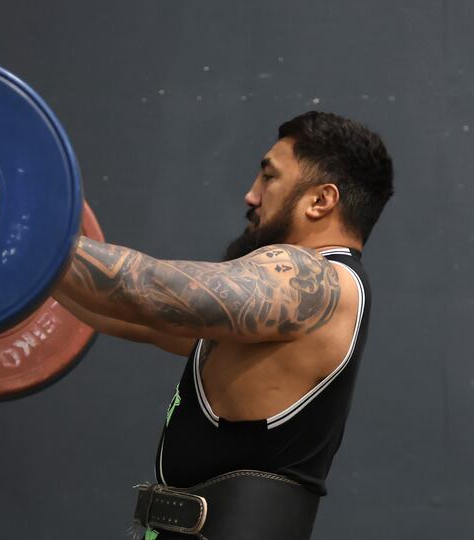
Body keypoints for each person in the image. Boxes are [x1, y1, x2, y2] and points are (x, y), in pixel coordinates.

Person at [53, 111, 394, 539]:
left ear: (321, 201)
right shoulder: (274, 317)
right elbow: (117, 310)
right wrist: (16, 263)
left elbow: (143, 288)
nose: (251, 196)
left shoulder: (318, 281)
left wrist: (24, 231)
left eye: (269, 178)